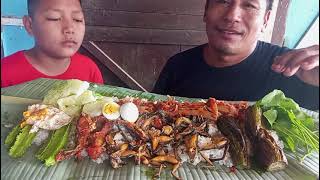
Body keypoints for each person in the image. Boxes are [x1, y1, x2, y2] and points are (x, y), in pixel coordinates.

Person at [153, 0, 319, 110]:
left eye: (249, 5)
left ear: (265, 20)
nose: (232, 16)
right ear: (206, 11)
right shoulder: (177, 66)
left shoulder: (296, 70)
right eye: (223, 1)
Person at [1, 0, 104, 88]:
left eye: (77, 19)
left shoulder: (89, 70)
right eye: (54, 18)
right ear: (29, 25)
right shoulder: (5, 73)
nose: (70, 28)